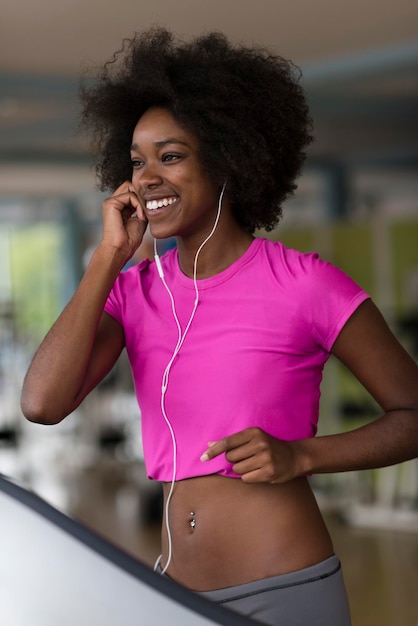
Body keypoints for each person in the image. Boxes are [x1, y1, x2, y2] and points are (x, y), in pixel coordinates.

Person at [20, 28, 418, 626]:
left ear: (228, 159)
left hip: (287, 588)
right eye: (137, 162)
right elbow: (41, 404)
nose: (147, 178)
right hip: (173, 593)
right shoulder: (131, 293)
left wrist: (303, 455)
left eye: (171, 156)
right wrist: (107, 258)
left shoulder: (305, 284)